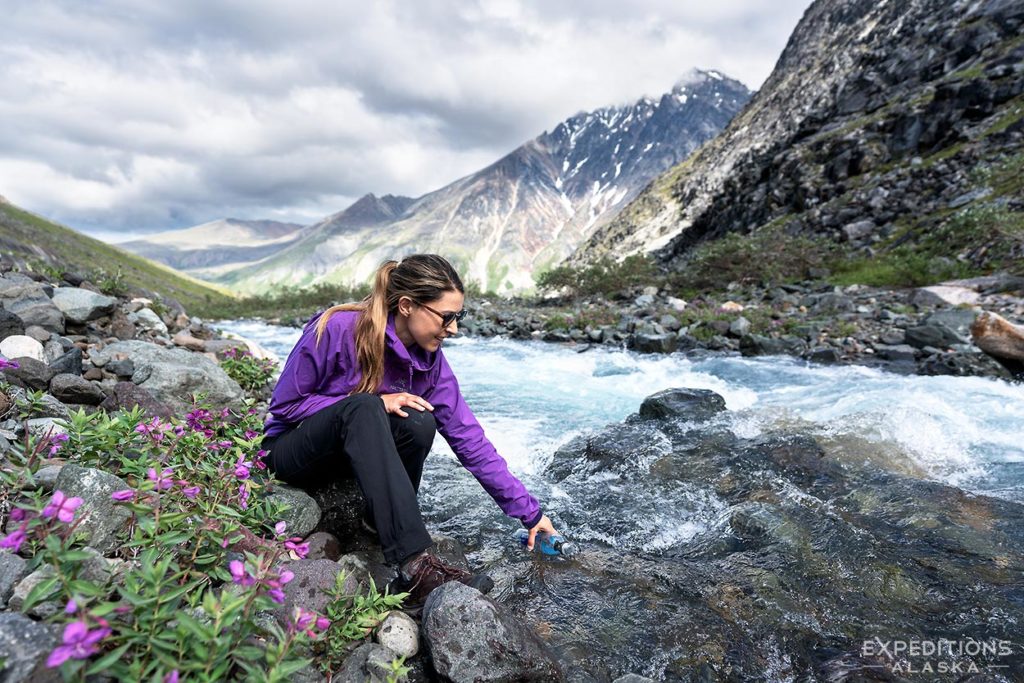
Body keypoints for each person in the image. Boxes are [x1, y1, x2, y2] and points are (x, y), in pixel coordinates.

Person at [260, 254, 559, 604]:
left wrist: (531, 513)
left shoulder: (429, 362)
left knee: (419, 421)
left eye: (458, 317)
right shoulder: (336, 327)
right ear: (406, 305)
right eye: (446, 317)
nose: (454, 329)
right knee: (367, 405)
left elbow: (470, 440)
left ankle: (377, 522)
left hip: (347, 457)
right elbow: (285, 406)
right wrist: (375, 399)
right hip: (291, 452)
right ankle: (416, 565)